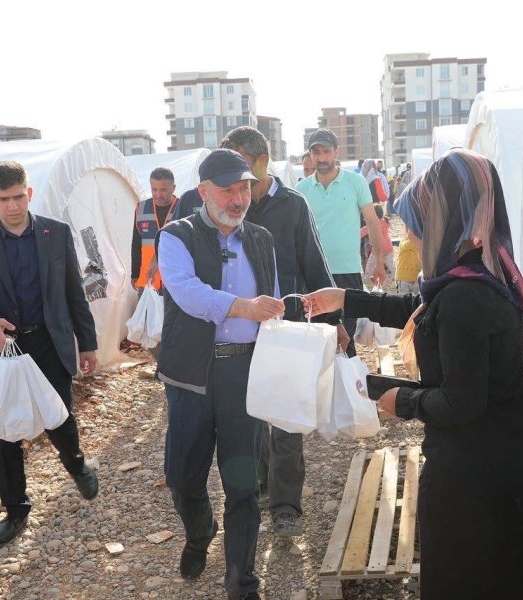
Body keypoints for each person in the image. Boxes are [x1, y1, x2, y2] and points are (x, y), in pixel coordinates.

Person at [304, 149, 523, 600]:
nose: (411, 243)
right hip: (510, 451)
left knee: (473, 578)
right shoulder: (481, 269)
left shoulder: (464, 294)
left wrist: (398, 402)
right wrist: (346, 298)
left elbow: (461, 403)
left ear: (448, 222)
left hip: (480, 474)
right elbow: (424, 312)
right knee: (515, 575)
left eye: (416, 228)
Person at [157, 149, 284, 600]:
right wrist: (242, 307)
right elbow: (188, 293)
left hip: (243, 375)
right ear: (203, 191)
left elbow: (273, 296)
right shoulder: (177, 236)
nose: (238, 198)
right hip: (192, 375)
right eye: (228, 189)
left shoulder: (262, 239)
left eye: (244, 187)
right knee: (183, 477)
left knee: (243, 484)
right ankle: (199, 532)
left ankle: (241, 581)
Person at [0, 160, 100, 545]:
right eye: (4, 199)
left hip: (49, 343)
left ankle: (76, 464)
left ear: (29, 193)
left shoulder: (56, 233)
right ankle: (16, 510)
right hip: (2, 347)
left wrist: (88, 342)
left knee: (59, 414)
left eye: (19, 196)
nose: (14, 206)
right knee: (4, 432)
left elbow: (73, 291)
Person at [219, 127, 340, 539]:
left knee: (286, 416)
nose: (233, 186)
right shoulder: (222, 206)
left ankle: (286, 506)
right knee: (251, 411)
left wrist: (334, 321)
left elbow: (314, 264)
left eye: (239, 167)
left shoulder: (292, 206)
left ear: (260, 161)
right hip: (236, 330)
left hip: (285, 328)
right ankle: (261, 481)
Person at [297, 129, 386, 356]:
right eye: (316, 152)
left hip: (347, 273)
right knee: (318, 338)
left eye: (326, 151)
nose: (322, 157)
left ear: (336, 151)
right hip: (313, 275)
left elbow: (372, 222)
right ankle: (322, 389)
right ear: (310, 154)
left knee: (346, 337)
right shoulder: (301, 190)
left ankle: (349, 385)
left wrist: (378, 261)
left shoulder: (355, 182)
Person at [131, 167, 178, 291]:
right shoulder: (141, 208)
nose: (158, 195)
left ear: (173, 188)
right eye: (154, 189)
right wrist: (134, 273)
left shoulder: (182, 207)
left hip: (175, 281)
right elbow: (136, 244)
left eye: (163, 190)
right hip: (147, 280)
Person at [360, 204, 394, 288]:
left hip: (377, 250)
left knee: (369, 269)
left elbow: (361, 233)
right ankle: (389, 280)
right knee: (390, 267)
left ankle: (372, 280)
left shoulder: (372, 225)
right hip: (388, 249)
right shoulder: (385, 222)